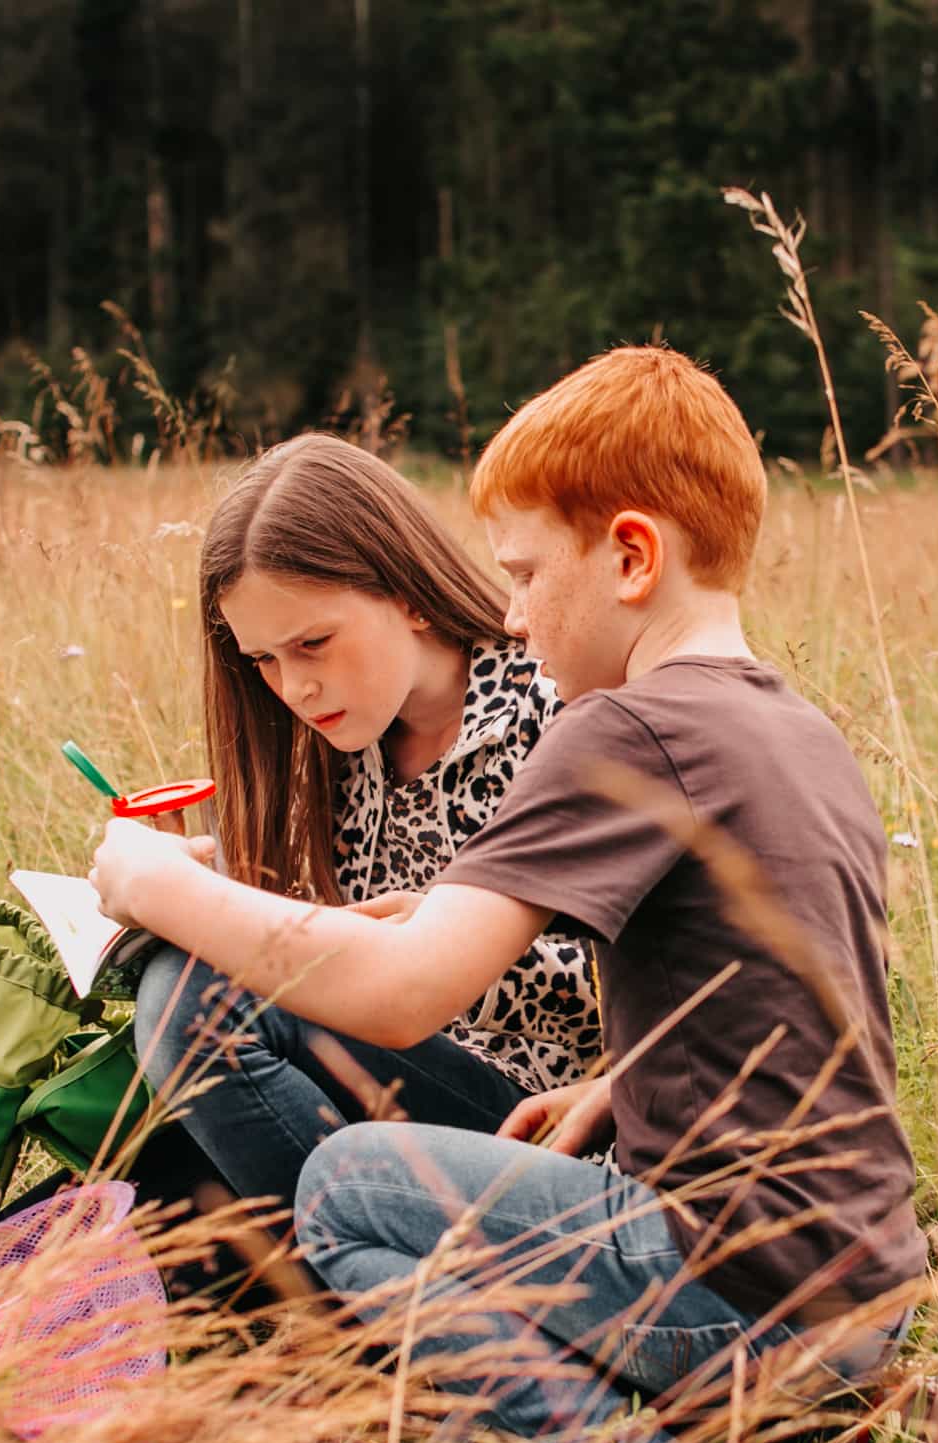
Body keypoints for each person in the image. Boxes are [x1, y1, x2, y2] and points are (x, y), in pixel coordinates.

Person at [90, 350, 927, 1443]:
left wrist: (155, 881)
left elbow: (402, 993)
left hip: (737, 1287)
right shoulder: (790, 724)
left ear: (633, 558)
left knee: (346, 1187)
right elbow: (795, 998)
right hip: (862, 1283)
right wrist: (619, 1086)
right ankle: (821, 1420)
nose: (516, 614)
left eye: (528, 574)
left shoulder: (618, 727)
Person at [128, 433, 600, 1249]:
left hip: (546, 1126)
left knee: (192, 1000)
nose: (295, 686)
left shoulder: (551, 709)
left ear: (406, 594)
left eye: (312, 643)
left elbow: (635, 987)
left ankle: (372, 1304)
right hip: (381, 1099)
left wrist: (433, 957)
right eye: (264, 660)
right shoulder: (337, 753)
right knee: (120, 1211)